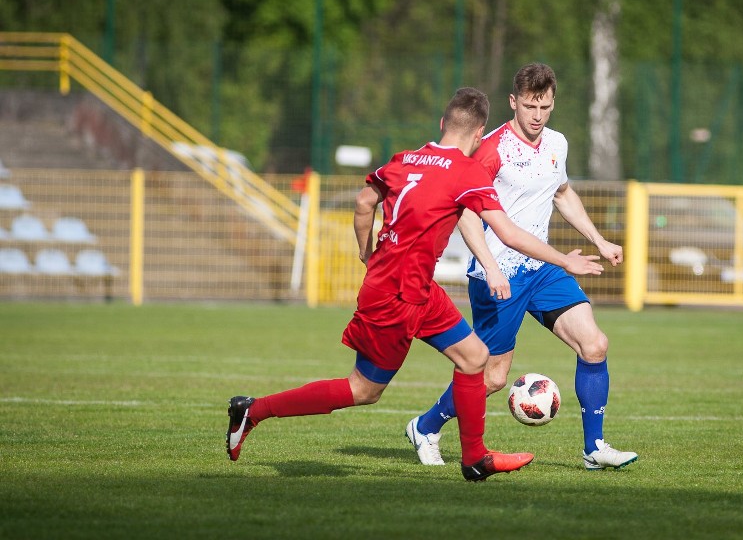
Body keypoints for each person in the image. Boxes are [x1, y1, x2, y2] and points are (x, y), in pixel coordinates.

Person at [226, 87, 605, 481]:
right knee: (363, 390)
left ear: (443, 124)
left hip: (415, 288)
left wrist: (367, 253)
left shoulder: (404, 159)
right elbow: (507, 232)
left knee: (475, 357)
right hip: (395, 298)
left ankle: (474, 458)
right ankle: (254, 410)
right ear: (479, 135)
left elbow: (362, 203)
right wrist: (564, 259)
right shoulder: (466, 171)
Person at [406, 64, 638, 471]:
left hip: (542, 266)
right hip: (500, 275)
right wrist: (490, 264)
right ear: (514, 102)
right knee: (492, 377)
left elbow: (562, 194)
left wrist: (598, 241)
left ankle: (594, 448)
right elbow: (465, 212)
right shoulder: (491, 148)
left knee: (595, 344)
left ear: (553, 104)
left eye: (544, 107)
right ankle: (425, 426)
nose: (536, 115)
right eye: (529, 105)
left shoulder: (557, 144)